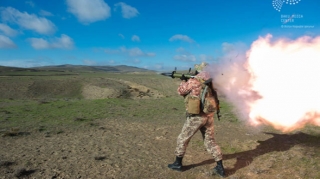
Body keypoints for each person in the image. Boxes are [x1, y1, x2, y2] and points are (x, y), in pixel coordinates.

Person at [167, 62, 226, 177]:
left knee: (182, 139)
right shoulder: (212, 81)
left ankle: (177, 163)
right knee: (210, 141)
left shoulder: (194, 81)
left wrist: (183, 81)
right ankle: (220, 167)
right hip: (209, 116)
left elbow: (181, 91)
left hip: (196, 117)